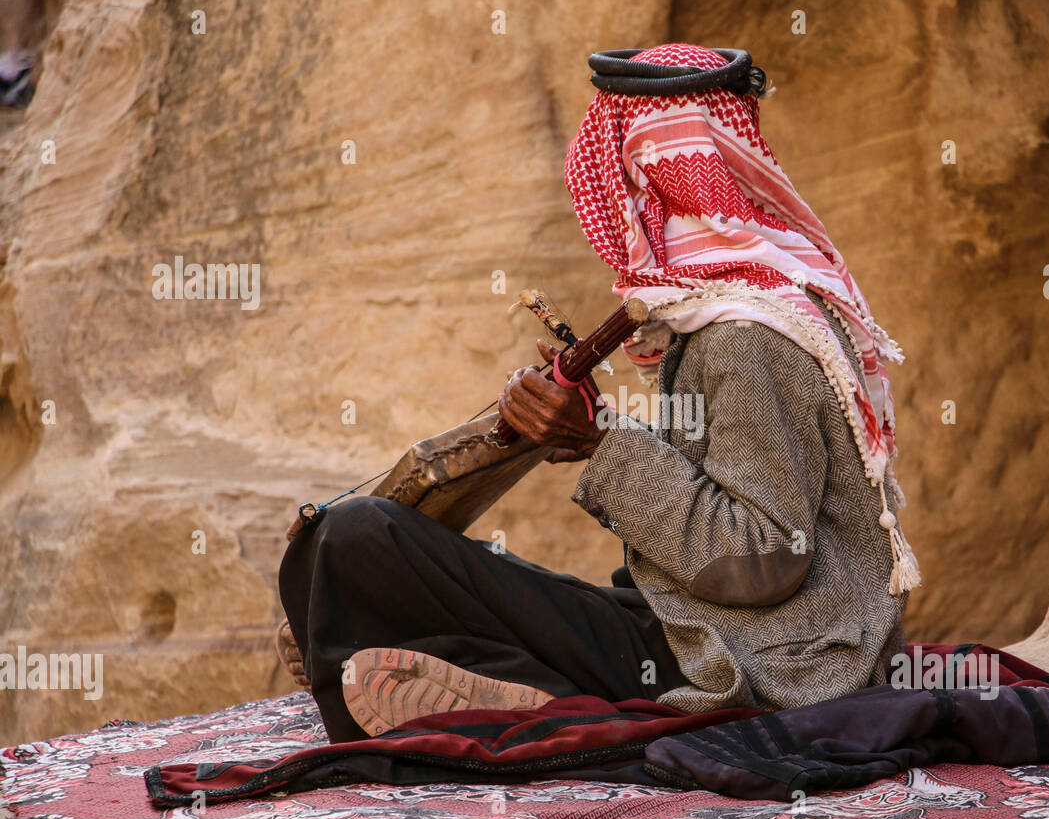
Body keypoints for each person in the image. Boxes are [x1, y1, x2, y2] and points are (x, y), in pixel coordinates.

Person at [276, 43, 919, 743]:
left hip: (760, 664)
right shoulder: (751, 308)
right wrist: (592, 426)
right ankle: (478, 681)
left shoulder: (746, 336)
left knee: (359, 539)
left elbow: (762, 558)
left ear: (649, 174)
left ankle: (528, 702)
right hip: (701, 629)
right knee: (350, 546)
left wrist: (598, 441)